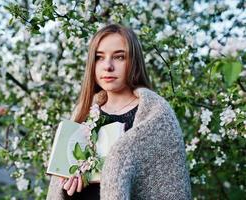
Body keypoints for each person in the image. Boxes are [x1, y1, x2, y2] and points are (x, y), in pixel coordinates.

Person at [46, 24, 192, 200]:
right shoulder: (83, 112)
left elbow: (169, 190)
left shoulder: (156, 117)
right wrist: (68, 187)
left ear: (134, 61)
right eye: (99, 57)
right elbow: (60, 190)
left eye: (119, 57)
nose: (107, 66)